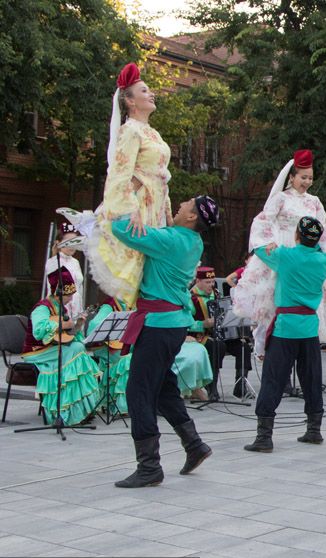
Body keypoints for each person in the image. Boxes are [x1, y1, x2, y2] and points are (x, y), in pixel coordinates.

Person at [111, 195, 219, 488]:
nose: (179, 205)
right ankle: (194, 444)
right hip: (172, 324)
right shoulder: (191, 241)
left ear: (191, 217)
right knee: (163, 387)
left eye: (186, 204)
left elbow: (120, 229)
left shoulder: (171, 240)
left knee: (138, 392)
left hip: (158, 326)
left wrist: (125, 208)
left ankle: (149, 466)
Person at [57, 63, 173, 306]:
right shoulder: (130, 130)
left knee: (154, 266)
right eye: (144, 91)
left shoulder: (153, 132)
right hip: (140, 204)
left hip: (156, 206)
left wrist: (168, 213)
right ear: (130, 101)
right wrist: (131, 210)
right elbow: (120, 173)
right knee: (138, 265)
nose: (151, 94)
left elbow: (161, 175)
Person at [231, 149, 326, 357]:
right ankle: (268, 350)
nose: (307, 181)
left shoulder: (314, 202)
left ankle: (299, 351)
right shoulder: (280, 198)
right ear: (291, 177)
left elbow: (323, 231)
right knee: (273, 302)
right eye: (303, 177)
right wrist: (269, 245)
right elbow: (263, 221)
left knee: (307, 303)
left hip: (306, 254)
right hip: (283, 252)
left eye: (310, 177)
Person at [244, 216, 326, 452]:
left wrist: (272, 243)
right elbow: (324, 252)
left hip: (286, 327)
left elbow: (258, 249)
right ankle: (314, 430)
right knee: (311, 378)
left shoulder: (285, 256)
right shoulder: (324, 261)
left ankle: (264, 436)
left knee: (273, 379)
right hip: (309, 327)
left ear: (296, 235)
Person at [86, 297, 214, 415]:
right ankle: (143, 403)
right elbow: (94, 327)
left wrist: (187, 331)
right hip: (116, 350)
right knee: (146, 359)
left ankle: (182, 390)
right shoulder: (110, 305)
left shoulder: (138, 301)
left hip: (137, 344)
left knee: (193, 349)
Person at [22, 268, 102, 426]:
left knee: (77, 347)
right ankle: (67, 411)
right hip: (37, 351)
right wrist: (64, 323)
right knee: (76, 350)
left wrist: (78, 325)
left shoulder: (62, 309)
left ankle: (79, 409)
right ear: (59, 293)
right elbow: (39, 330)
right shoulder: (42, 307)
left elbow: (66, 335)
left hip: (56, 348)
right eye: (69, 295)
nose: (71, 298)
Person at [189, 266, 253, 400]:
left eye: (212, 282)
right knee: (218, 346)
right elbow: (185, 324)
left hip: (220, 334)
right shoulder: (191, 298)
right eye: (207, 282)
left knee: (244, 347)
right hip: (200, 336)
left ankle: (240, 386)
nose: (211, 285)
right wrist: (203, 324)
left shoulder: (216, 293)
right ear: (198, 281)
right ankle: (212, 387)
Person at [44, 222, 85, 318]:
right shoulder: (53, 262)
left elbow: (80, 289)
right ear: (58, 242)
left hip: (77, 310)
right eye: (68, 242)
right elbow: (54, 291)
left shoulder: (76, 262)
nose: (72, 245)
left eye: (75, 242)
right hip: (60, 311)